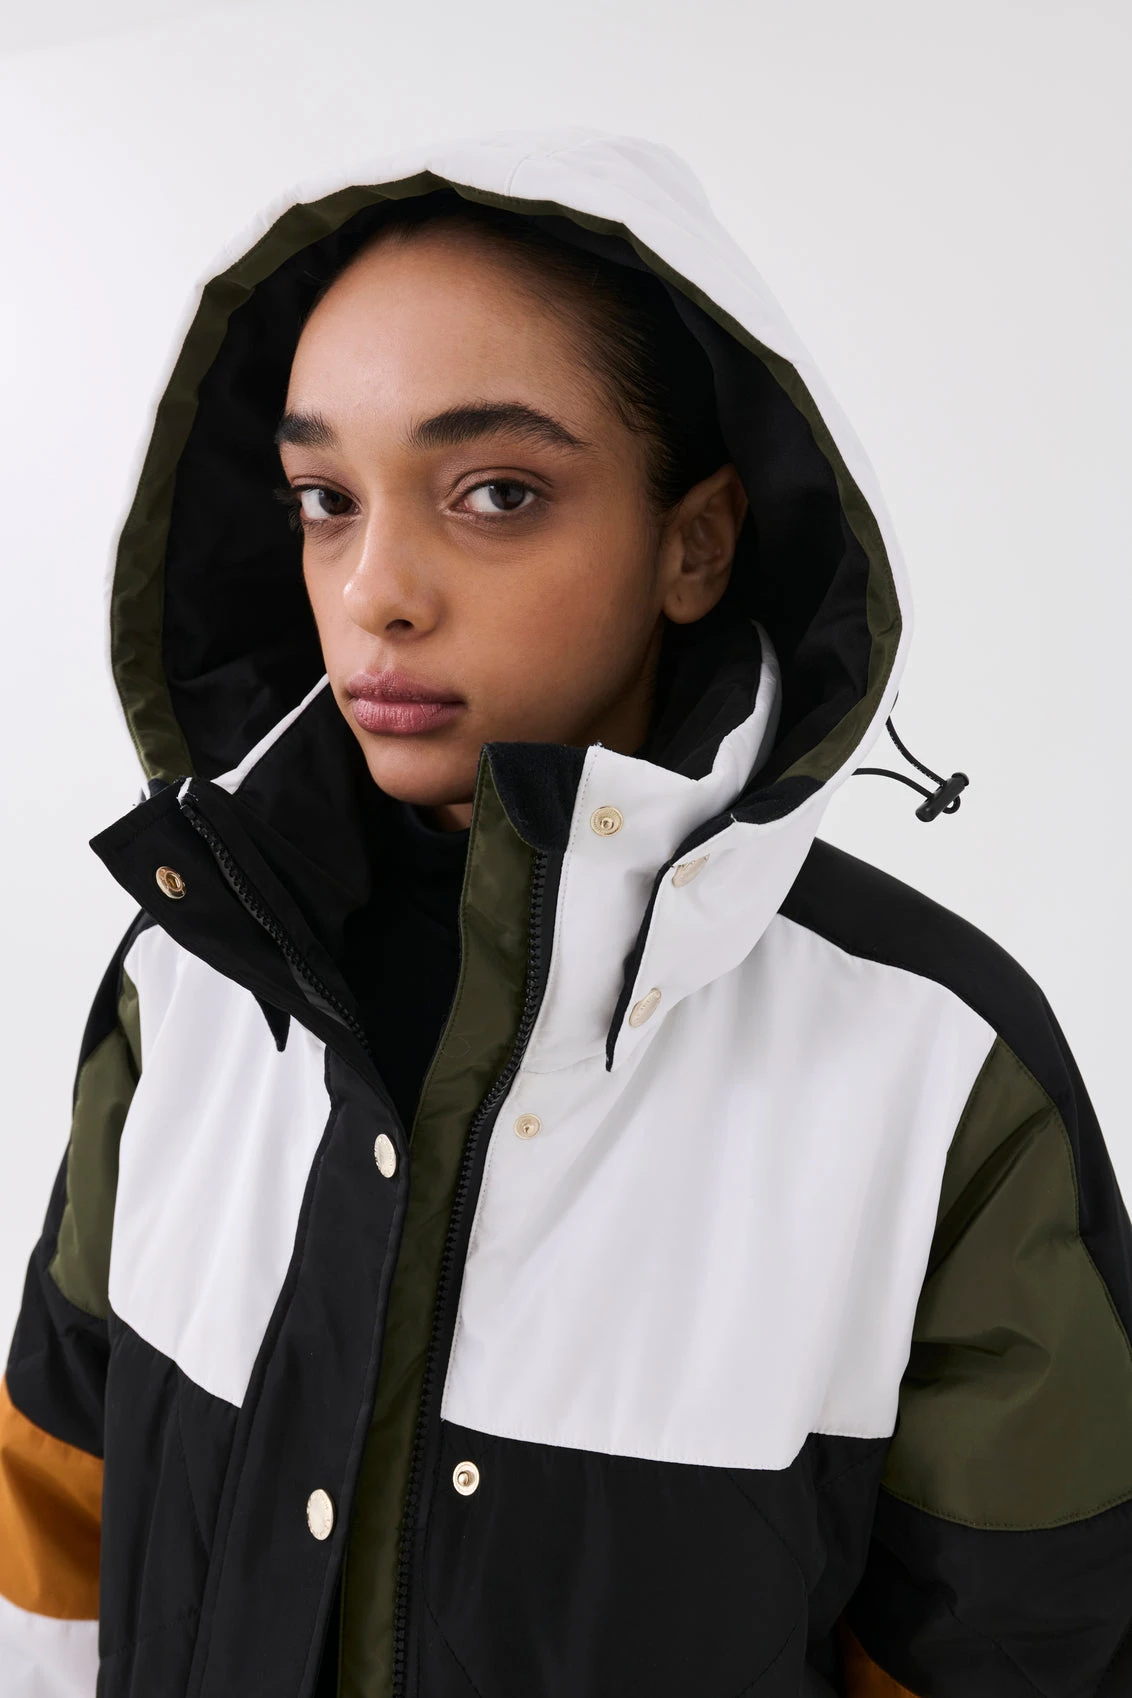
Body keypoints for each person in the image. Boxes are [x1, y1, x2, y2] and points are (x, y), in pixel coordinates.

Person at [1, 129, 1129, 1698]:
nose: (376, 590)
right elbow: (51, 1539)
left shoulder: (938, 1070)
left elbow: (1024, 1649)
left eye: (496, 492)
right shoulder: (188, 972)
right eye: (324, 497)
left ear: (695, 542)